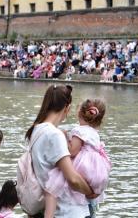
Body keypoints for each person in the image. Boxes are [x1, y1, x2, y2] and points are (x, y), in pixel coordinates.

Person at [25, 84, 95, 218]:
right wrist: (90, 191)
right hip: (67, 210)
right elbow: (73, 179)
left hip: (49, 208)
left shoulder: (36, 129)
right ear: (67, 108)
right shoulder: (54, 134)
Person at [44, 99, 111, 218]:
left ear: (80, 113)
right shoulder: (94, 132)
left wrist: (64, 137)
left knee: (57, 180)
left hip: (83, 166)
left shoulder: (79, 131)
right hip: (95, 168)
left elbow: (72, 151)